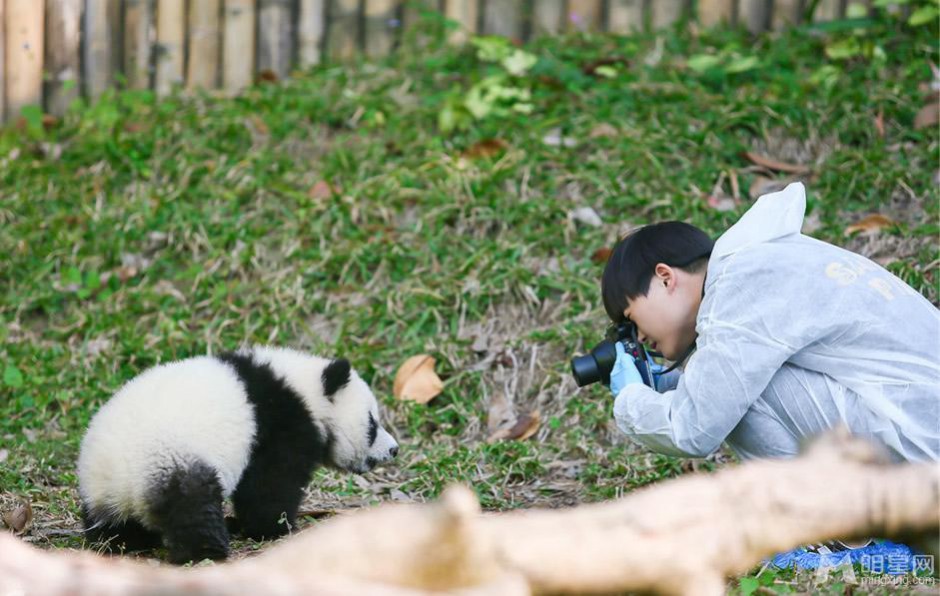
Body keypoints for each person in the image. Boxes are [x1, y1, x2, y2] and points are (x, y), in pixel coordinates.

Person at [601, 182, 939, 463]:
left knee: (744, 393)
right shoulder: (760, 265)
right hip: (919, 429)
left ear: (664, 277)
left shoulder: (740, 287)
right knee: (736, 382)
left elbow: (693, 428)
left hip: (921, 449)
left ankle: (827, 536)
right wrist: (672, 385)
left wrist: (630, 398)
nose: (640, 337)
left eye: (632, 319)